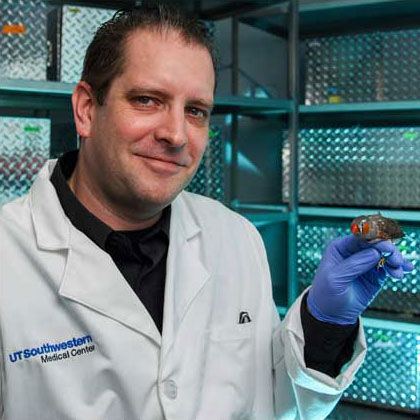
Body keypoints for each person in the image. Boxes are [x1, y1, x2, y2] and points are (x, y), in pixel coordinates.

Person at [0, 4, 413, 420]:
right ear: (87, 109)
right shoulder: (8, 256)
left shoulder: (234, 237)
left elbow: (275, 405)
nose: (176, 134)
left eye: (195, 111)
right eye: (147, 100)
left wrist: (324, 323)